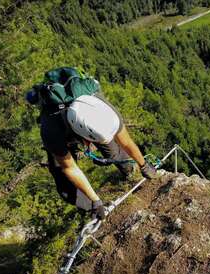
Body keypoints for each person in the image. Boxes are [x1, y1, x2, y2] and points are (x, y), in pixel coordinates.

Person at [26, 67, 157, 220]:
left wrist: (143, 164)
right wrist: (95, 200)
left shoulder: (106, 111)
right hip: (61, 127)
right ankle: (90, 207)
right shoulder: (51, 131)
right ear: (86, 139)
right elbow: (70, 168)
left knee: (114, 151)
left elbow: (126, 142)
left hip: (83, 122)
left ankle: (128, 170)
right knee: (63, 181)